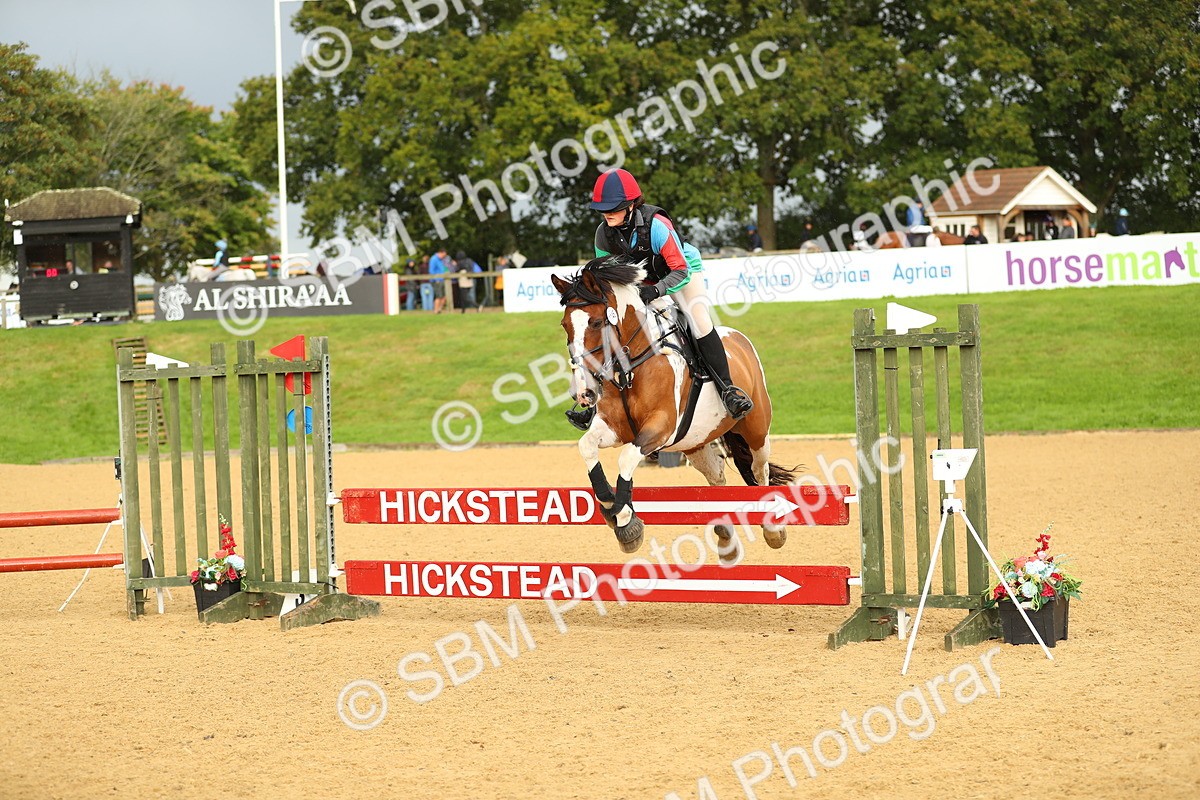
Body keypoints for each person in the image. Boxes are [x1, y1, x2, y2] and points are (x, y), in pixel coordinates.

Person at [567, 168, 754, 430]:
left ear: (632, 204)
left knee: (698, 321)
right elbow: (607, 277)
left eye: (615, 207)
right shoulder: (603, 233)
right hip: (641, 282)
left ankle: (728, 390)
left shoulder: (657, 225)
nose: (607, 213)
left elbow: (680, 270)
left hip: (680, 274)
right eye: (603, 208)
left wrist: (656, 291)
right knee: (613, 330)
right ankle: (598, 403)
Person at [429, 247, 452, 313]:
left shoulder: (440, 260)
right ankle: (436, 310)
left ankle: (439, 309)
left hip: (442, 279)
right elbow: (431, 270)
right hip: (437, 281)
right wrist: (436, 279)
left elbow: (443, 268)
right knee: (438, 296)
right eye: (443, 255)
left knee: (444, 296)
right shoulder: (434, 259)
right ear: (440, 253)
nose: (444, 257)